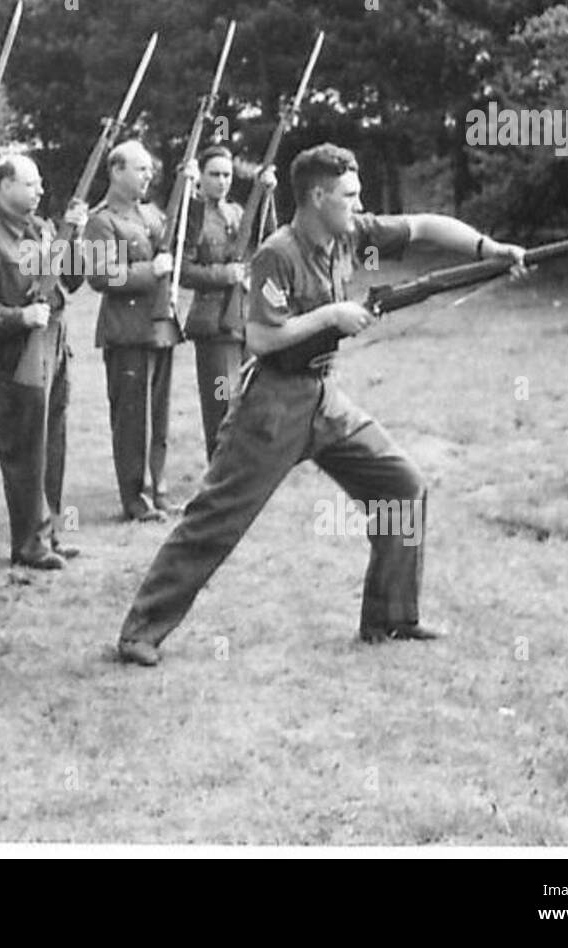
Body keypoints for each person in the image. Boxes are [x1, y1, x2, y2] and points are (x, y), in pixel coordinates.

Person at [117, 143, 527, 666]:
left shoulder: (349, 232)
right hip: (272, 406)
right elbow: (263, 339)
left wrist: (490, 248)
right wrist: (332, 315)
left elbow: (424, 226)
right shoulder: (276, 254)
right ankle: (139, 633)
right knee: (216, 518)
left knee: (400, 486)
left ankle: (391, 618)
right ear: (317, 196)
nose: (359, 205)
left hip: (323, 396)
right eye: (349, 195)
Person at [0, 154, 88, 571]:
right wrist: (19, 317)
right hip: (15, 352)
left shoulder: (42, 229)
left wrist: (77, 235)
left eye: (39, 184)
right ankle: (29, 541)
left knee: (52, 439)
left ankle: (49, 532)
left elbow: (72, 280)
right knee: (25, 446)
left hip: (53, 342)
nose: (39, 191)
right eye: (30, 184)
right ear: (2, 187)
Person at [81, 139, 181, 522]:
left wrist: (187, 184)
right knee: (131, 418)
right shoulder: (101, 220)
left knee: (159, 414)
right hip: (127, 330)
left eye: (150, 170)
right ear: (116, 171)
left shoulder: (152, 214)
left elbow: (180, 231)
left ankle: (160, 488)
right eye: (140, 169)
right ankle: (135, 498)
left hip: (159, 326)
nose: (148, 176)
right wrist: (149, 271)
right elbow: (101, 275)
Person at [179, 145, 277, 458]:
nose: (221, 181)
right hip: (213, 323)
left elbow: (269, 240)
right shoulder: (192, 215)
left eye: (227, 175)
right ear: (201, 178)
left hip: (244, 319)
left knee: (250, 398)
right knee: (221, 401)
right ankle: (218, 471)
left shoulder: (237, 212)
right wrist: (227, 274)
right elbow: (183, 270)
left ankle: (242, 470)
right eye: (214, 174)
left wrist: (267, 196)